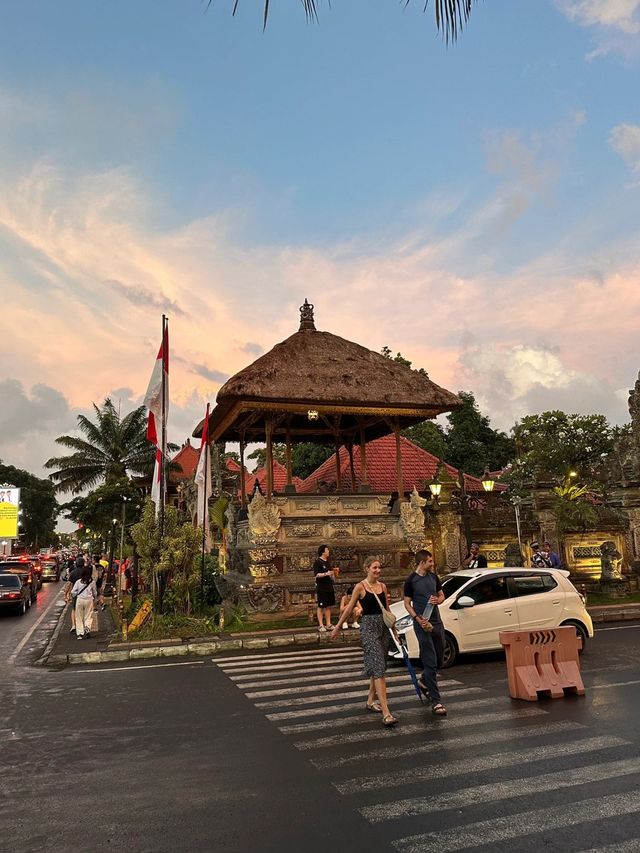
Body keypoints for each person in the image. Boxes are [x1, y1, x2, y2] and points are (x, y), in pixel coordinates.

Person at [331, 556, 398, 726]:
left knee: (379, 666)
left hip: (382, 628)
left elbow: (387, 610)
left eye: (379, 567)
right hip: (368, 628)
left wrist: (394, 631)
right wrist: (338, 626)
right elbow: (348, 609)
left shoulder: (383, 586)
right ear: (367, 568)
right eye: (374, 568)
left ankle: (370, 701)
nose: (377, 570)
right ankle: (386, 712)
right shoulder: (360, 587)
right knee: (379, 670)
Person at [403, 549, 447, 716]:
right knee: (430, 661)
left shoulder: (434, 577)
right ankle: (436, 702)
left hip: (436, 622)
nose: (432, 564)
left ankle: (423, 681)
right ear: (422, 562)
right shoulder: (411, 580)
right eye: (430, 561)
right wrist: (416, 618)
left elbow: (442, 595)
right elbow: (407, 603)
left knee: (440, 659)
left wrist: (438, 600)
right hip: (421, 624)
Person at [313, 544, 337, 632]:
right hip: (322, 587)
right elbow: (317, 575)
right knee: (321, 606)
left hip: (329, 586)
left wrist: (333, 574)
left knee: (328, 606)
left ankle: (328, 624)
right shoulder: (318, 562)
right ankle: (320, 625)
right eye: (327, 550)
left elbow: (331, 573)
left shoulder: (327, 562)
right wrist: (326, 574)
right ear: (323, 551)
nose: (328, 552)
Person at [71, 566, 98, 640]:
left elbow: (73, 592)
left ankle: (80, 633)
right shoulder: (92, 582)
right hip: (89, 600)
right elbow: (95, 593)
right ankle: (87, 628)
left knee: (79, 616)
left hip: (80, 600)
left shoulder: (78, 582)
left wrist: (76, 594)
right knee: (88, 615)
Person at [65, 558, 85, 634]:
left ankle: (73, 625)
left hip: (76, 593)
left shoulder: (73, 572)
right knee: (83, 610)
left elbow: (69, 584)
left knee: (74, 609)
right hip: (85, 594)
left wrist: (66, 594)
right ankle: (82, 625)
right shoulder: (86, 572)